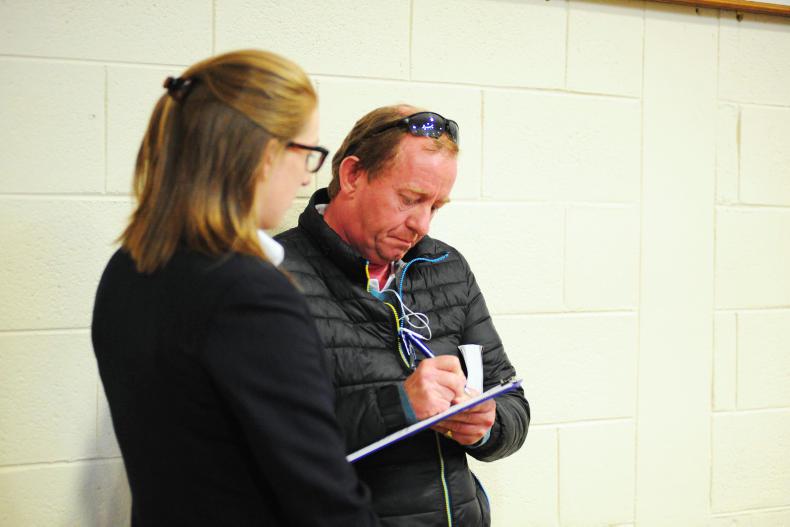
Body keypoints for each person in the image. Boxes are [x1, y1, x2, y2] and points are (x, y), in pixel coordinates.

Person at [91, 50, 380, 526]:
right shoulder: (249, 294)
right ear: (266, 156)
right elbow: (323, 497)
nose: (307, 176)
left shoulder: (129, 265)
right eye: (307, 153)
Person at [275, 105, 530, 526]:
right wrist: (400, 405)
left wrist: (486, 425)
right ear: (352, 175)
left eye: (435, 206)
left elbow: (511, 400)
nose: (422, 224)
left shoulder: (447, 267)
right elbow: (270, 441)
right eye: (409, 199)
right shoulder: (274, 276)